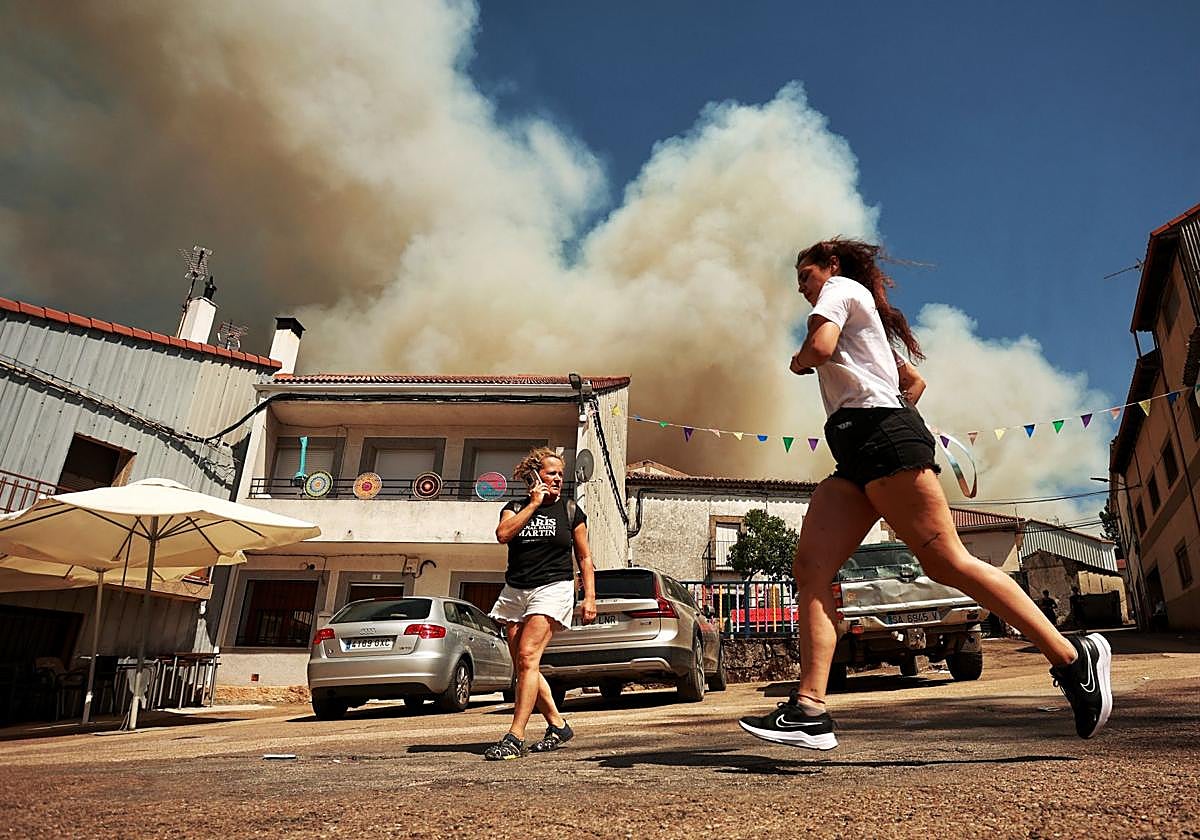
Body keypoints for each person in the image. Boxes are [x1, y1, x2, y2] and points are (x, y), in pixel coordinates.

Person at [739, 238, 1113, 751]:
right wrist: (893, 404)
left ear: (830, 266)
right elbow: (912, 380)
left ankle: (1073, 659)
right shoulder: (860, 315)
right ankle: (809, 709)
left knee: (946, 563)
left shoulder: (841, 289)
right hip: (858, 452)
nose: (802, 289)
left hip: (880, 440)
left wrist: (800, 361)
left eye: (804, 277)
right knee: (812, 569)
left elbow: (820, 351)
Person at [483, 447, 596, 760]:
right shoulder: (515, 507)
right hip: (515, 590)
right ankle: (558, 724)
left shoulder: (571, 510)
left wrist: (589, 596)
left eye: (561, 474)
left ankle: (515, 735)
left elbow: (584, 557)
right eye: (551, 473)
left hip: (553, 587)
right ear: (534, 476)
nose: (558, 478)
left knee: (529, 655)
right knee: (523, 664)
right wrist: (533, 503)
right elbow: (503, 535)